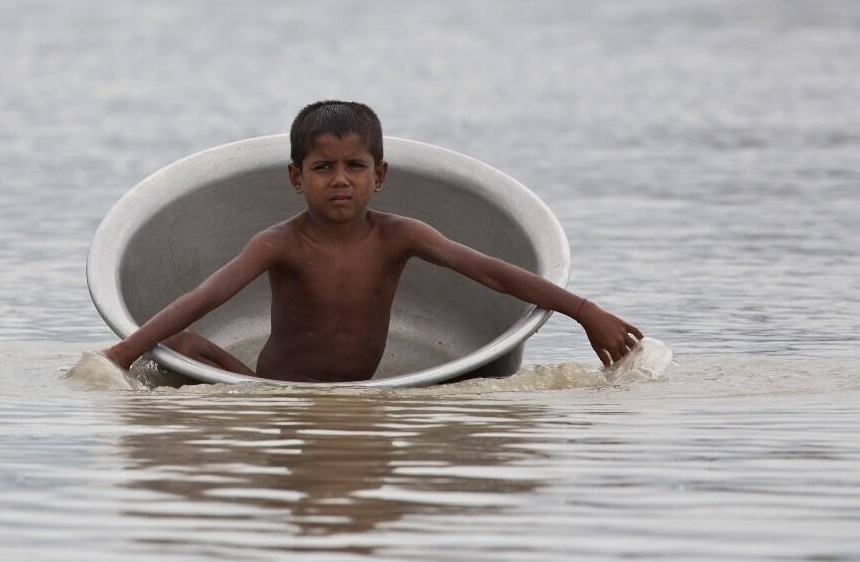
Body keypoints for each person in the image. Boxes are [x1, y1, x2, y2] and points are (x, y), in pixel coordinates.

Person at [101, 100, 643, 383]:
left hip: (366, 391)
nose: (340, 179)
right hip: (272, 394)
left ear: (378, 176)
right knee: (182, 343)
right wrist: (120, 354)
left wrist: (584, 311)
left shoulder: (399, 235)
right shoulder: (279, 243)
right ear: (297, 178)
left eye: (354, 166)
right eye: (323, 167)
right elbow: (205, 298)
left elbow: (491, 272)